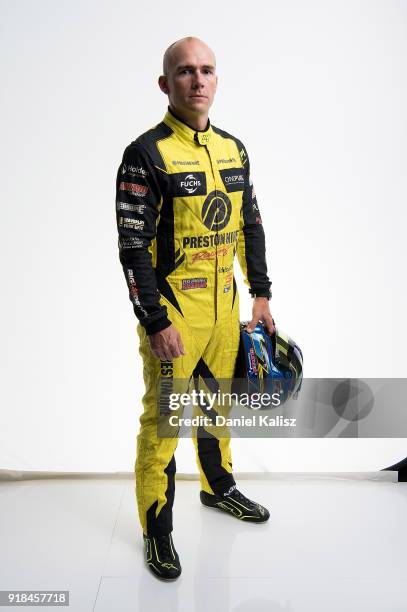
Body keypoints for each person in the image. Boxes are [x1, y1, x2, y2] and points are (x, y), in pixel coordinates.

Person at [116, 36, 275, 581]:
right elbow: (133, 248)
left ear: (217, 79)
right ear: (166, 84)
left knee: (217, 410)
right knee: (164, 423)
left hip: (228, 311)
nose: (198, 80)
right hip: (176, 316)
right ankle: (157, 531)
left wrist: (261, 292)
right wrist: (155, 322)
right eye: (185, 72)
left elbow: (249, 223)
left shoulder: (235, 149)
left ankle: (219, 488)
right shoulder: (145, 154)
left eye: (207, 70)